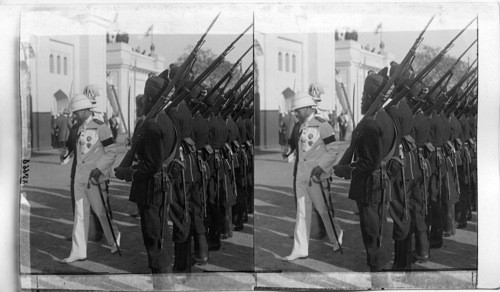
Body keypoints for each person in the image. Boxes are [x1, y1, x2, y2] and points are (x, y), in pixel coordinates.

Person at [334, 70, 396, 272]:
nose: (361, 98)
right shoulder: (385, 118)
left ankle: (379, 280)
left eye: (363, 95)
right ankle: (383, 276)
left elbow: (369, 163)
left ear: (371, 95)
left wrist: (346, 170)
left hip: (371, 186)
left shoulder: (371, 123)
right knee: (380, 230)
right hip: (381, 184)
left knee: (373, 233)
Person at [115, 76, 176, 274]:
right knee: (160, 232)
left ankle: (163, 282)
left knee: (153, 235)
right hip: (161, 186)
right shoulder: (167, 119)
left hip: (151, 188)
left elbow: (151, 164)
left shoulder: (152, 125)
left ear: (149, 98)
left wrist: (128, 172)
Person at [283, 92, 342, 261]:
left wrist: (321, 167)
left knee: (323, 210)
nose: (296, 113)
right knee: (302, 212)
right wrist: (288, 151)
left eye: (298, 110)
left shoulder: (323, 125)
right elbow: (299, 149)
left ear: (309, 108)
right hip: (301, 176)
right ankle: (300, 249)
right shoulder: (300, 126)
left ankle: (337, 236)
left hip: (316, 176)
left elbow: (333, 150)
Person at [61, 94, 120, 264]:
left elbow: (111, 153)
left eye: (77, 112)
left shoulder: (101, 127)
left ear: (87, 110)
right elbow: (76, 153)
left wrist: (99, 169)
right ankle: (78, 251)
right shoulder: (78, 128)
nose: (74, 115)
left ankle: (114, 238)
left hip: (94, 179)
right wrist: (65, 155)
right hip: (79, 178)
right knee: (80, 214)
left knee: (101, 212)